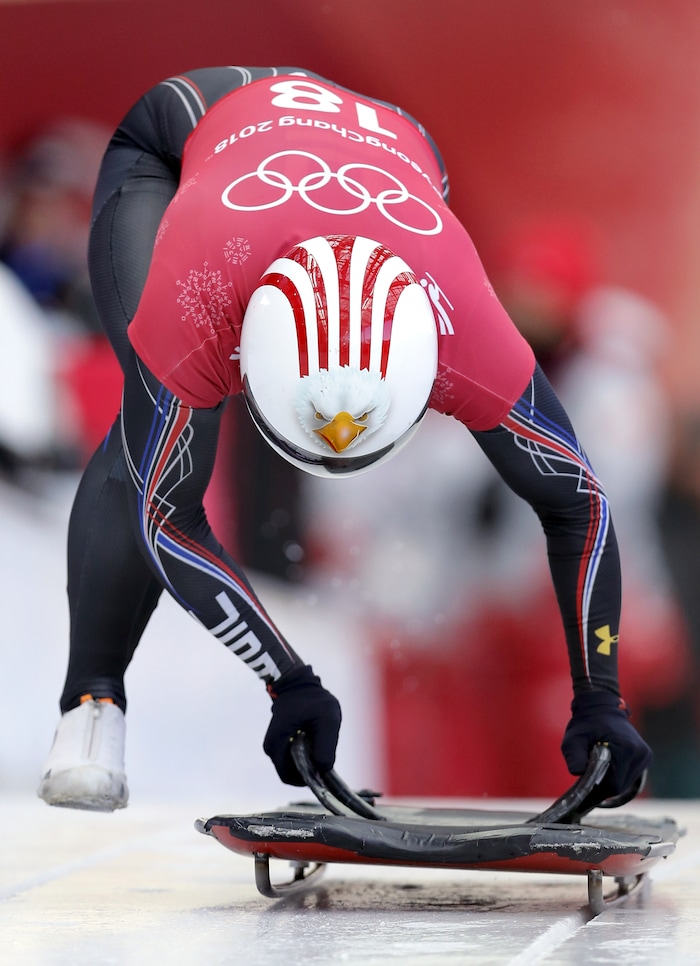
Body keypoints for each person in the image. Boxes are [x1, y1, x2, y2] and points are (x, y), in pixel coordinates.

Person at [37, 66, 651, 812]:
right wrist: (286, 676)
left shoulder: (470, 329)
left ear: (430, 369)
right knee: (155, 433)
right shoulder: (199, 298)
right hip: (192, 131)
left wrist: (601, 694)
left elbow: (578, 499)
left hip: (385, 147)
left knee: (162, 435)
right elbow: (165, 511)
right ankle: (92, 701)